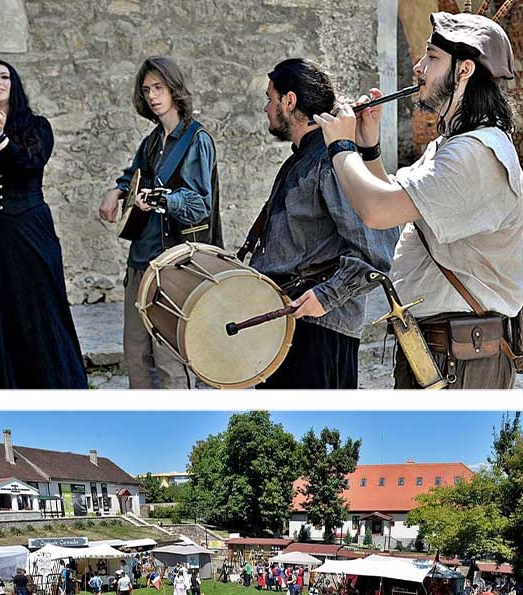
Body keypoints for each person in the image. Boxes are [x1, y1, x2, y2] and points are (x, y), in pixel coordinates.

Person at [315, 12, 522, 389]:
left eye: (432, 57)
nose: (418, 66)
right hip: (435, 349)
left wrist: (341, 147)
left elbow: (377, 210)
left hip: (463, 356)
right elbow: (396, 204)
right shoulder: (453, 147)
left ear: (464, 71)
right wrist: (367, 144)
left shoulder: (475, 156)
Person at [245, 59, 397, 389]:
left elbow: (377, 252)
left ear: (289, 101)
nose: (265, 108)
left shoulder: (332, 162)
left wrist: (326, 296)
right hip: (288, 325)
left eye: (270, 98)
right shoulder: (301, 160)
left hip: (320, 332)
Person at [0, 60, 88, 389]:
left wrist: (1, 141)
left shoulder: (37, 126)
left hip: (30, 228)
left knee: (42, 309)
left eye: (4, 77)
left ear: (14, 84)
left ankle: (55, 383)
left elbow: (30, 163)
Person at [98, 56, 221, 388]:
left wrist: (161, 198)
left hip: (173, 266)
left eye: (159, 88)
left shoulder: (197, 140)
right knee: (137, 355)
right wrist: (117, 190)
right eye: (147, 89)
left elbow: (200, 205)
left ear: (174, 89)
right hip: (140, 261)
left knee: (168, 360)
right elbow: (134, 175)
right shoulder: (152, 141)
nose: (153, 96)